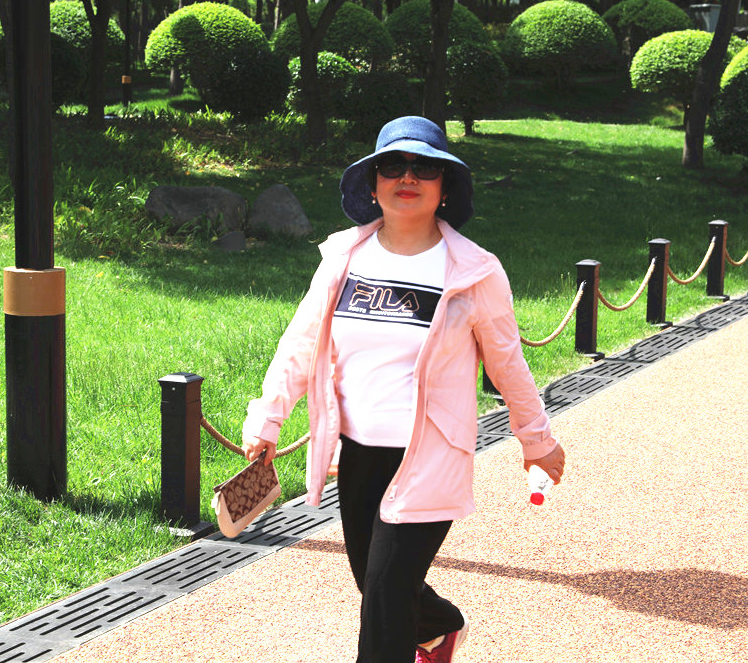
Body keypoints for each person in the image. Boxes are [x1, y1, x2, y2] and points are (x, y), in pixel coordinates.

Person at [242, 116, 565, 663]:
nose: (407, 177)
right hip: (358, 453)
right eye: (393, 166)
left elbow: (508, 364)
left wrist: (537, 441)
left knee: (385, 597)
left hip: (430, 455)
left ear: (445, 187)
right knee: (375, 583)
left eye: (425, 168)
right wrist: (268, 419)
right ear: (373, 184)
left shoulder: (474, 271)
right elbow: (300, 344)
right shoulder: (344, 258)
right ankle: (438, 627)